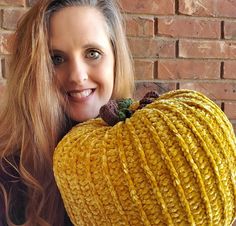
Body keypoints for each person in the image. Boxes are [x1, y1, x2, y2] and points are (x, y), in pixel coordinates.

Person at [0, 0, 134, 225]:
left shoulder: (151, 153)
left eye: (92, 53)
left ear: (115, 59)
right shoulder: (8, 174)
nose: (77, 76)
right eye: (56, 59)